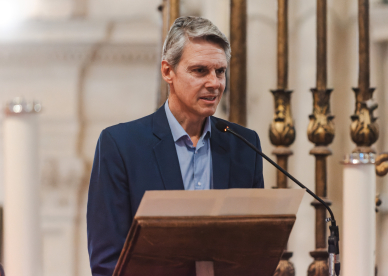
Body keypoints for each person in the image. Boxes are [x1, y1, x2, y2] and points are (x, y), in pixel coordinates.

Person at [87, 16, 264, 276]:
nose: (214, 83)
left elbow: (257, 248)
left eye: (220, 71)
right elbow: (107, 262)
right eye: (200, 70)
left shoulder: (244, 145)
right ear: (168, 71)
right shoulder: (121, 145)